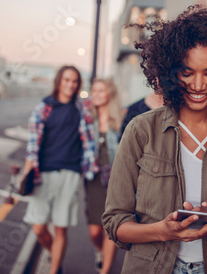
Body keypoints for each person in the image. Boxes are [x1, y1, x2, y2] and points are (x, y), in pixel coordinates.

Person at [102, 5, 207, 273]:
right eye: (187, 72)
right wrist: (161, 231)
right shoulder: (141, 130)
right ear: (171, 71)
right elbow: (115, 222)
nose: (198, 85)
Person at [22, 65, 97, 274]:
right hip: (43, 173)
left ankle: (55, 270)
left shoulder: (81, 109)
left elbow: (89, 142)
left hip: (70, 173)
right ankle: (53, 252)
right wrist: (25, 173)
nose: (70, 85)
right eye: (66, 80)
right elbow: (32, 145)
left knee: (60, 227)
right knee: (38, 227)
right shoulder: (44, 108)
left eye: (74, 81)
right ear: (59, 81)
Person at [85, 78, 124, 273]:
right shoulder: (87, 119)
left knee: (110, 227)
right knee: (94, 231)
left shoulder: (120, 119)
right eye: (94, 90)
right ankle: (98, 250)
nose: (97, 94)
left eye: (101, 90)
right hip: (93, 180)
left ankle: (105, 270)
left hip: (114, 181)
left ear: (110, 93)